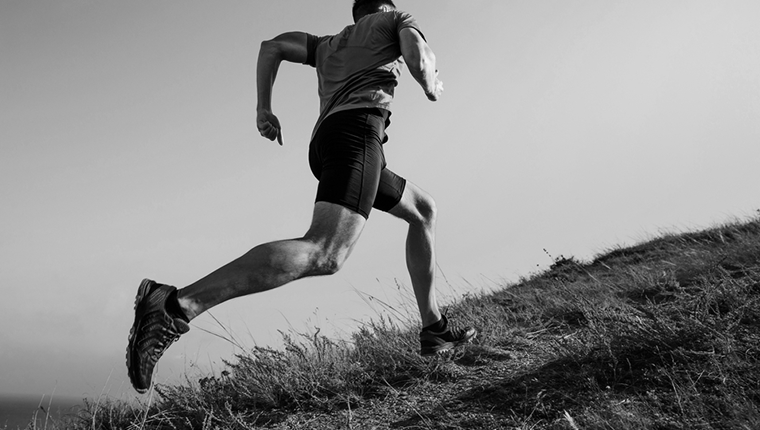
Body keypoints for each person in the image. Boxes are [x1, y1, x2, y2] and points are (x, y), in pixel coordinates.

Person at [126, 0, 476, 394]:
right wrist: (429, 84)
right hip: (357, 135)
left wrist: (264, 109)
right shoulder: (394, 19)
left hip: (327, 143)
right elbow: (418, 53)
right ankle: (175, 306)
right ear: (383, 7)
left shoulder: (327, 44)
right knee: (326, 252)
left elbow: (270, 47)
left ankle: (435, 330)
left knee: (423, 209)